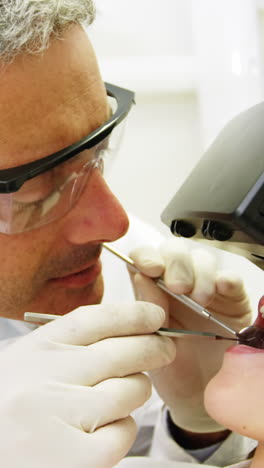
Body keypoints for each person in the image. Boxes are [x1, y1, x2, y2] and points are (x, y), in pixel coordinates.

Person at [0, 1, 262, 467]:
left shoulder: (100, 272)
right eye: (39, 190)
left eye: (96, 153)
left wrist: (198, 430)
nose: (114, 224)